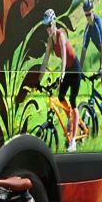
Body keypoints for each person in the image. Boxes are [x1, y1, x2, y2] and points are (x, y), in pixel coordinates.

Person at [39, 9, 81, 152]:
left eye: (49, 25)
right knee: (61, 97)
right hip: (66, 71)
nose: (48, 29)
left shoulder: (60, 35)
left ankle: (73, 141)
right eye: (45, 26)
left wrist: (62, 73)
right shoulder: (50, 41)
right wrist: (38, 80)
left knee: (73, 100)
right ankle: (72, 118)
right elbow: (44, 62)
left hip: (74, 69)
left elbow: (63, 55)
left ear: (54, 22)